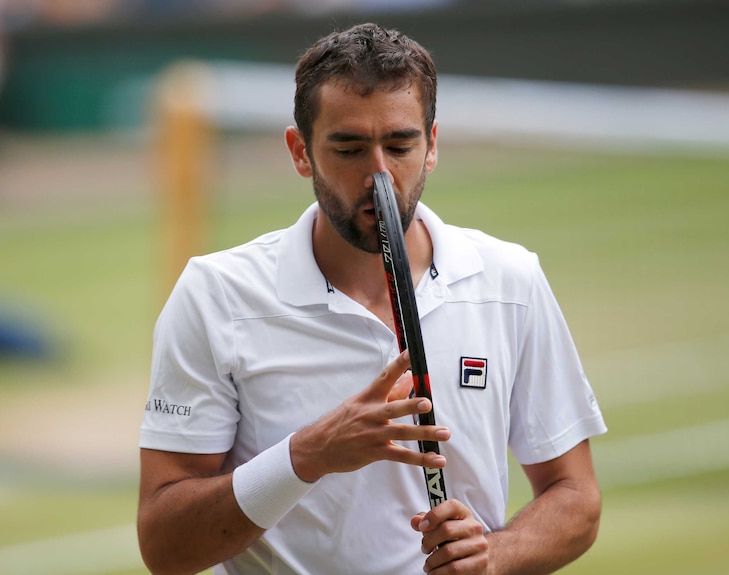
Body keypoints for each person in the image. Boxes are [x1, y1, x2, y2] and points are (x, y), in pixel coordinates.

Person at [138, 22, 607, 575]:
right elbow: (166, 548)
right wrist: (306, 456)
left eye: (400, 145)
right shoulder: (216, 295)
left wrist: (493, 556)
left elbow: (575, 495)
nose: (378, 175)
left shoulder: (509, 280)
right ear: (300, 152)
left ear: (432, 147)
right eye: (350, 148)